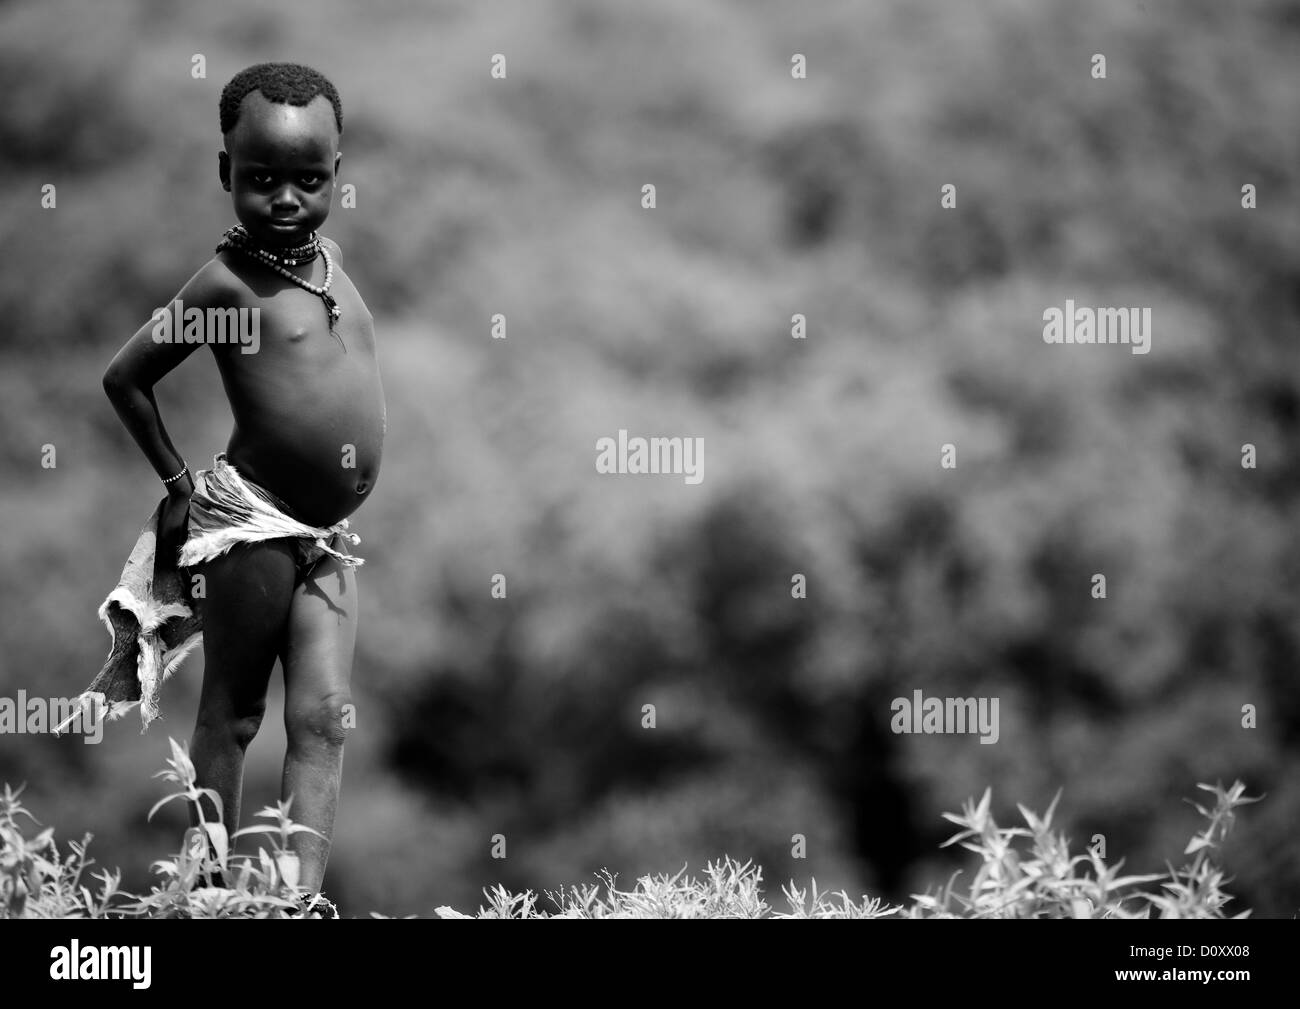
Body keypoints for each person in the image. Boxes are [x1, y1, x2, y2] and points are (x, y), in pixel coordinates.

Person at [100, 62, 386, 915]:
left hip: (329, 537)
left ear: (339, 173)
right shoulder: (227, 284)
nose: (287, 198)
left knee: (328, 714)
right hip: (254, 525)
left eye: (309, 178)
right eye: (262, 179)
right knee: (233, 716)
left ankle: (293, 900)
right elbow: (126, 377)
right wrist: (179, 483)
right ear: (224, 171)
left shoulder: (326, 261)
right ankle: (207, 892)